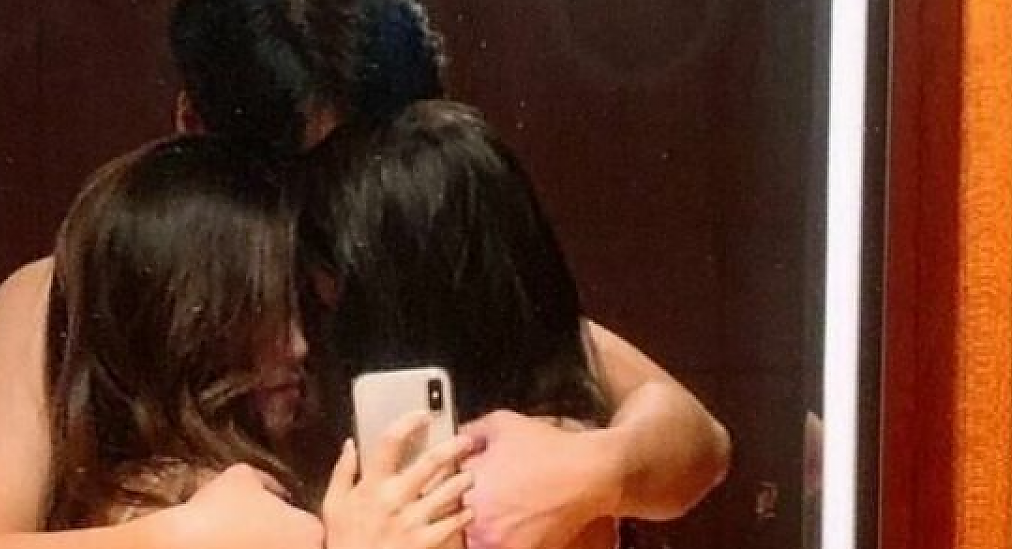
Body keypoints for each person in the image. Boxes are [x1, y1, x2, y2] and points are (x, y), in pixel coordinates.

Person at [0, 0, 729, 549]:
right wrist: (176, 540)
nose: (321, 211)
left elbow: (694, 437)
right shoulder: (87, 285)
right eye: (293, 172)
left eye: (358, 167)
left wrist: (599, 468)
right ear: (192, 123)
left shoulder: (400, 264)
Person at [0, 133, 479, 549]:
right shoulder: (183, 510)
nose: (299, 347)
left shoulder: (151, 493)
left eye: (297, 309)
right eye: (259, 315)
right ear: (190, 326)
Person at [299, 100, 721, 549]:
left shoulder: (533, 444)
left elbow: (706, 443)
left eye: (326, 286)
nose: (299, 338)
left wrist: (593, 467)